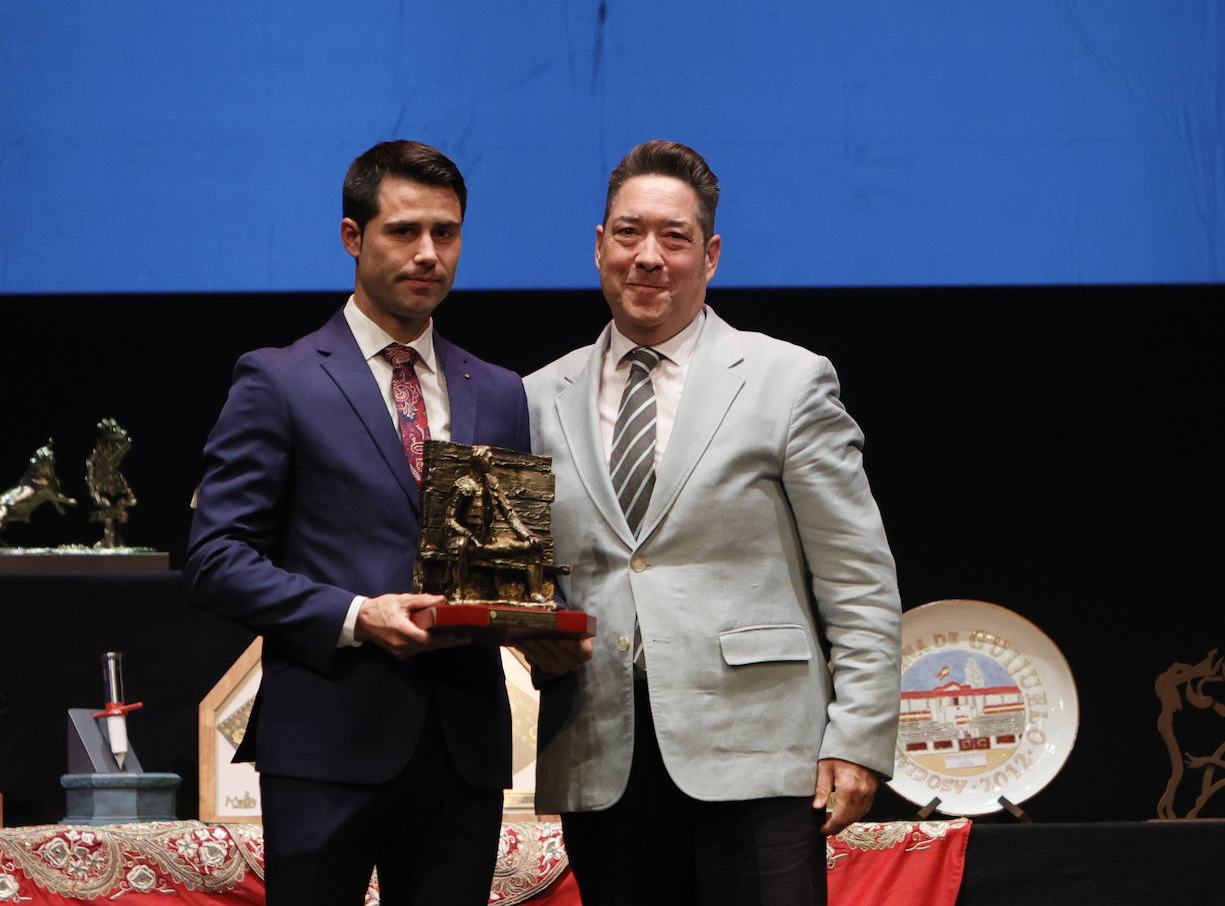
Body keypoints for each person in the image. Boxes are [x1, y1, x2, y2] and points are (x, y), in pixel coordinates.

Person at [519, 140, 901, 905]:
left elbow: (857, 577)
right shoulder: (532, 398)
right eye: (628, 233)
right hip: (602, 756)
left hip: (758, 753)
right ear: (599, 247)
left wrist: (858, 739)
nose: (649, 257)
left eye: (675, 237)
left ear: (712, 255)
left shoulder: (787, 380)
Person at [185, 140, 528, 906]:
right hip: (326, 739)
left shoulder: (500, 392)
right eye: (404, 231)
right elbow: (214, 558)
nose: (428, 254)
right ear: (352, 237)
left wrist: (537, 616)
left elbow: (505, 565)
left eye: (446, 232)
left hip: (463, 740)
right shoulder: (279, 379)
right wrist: (354, 615)